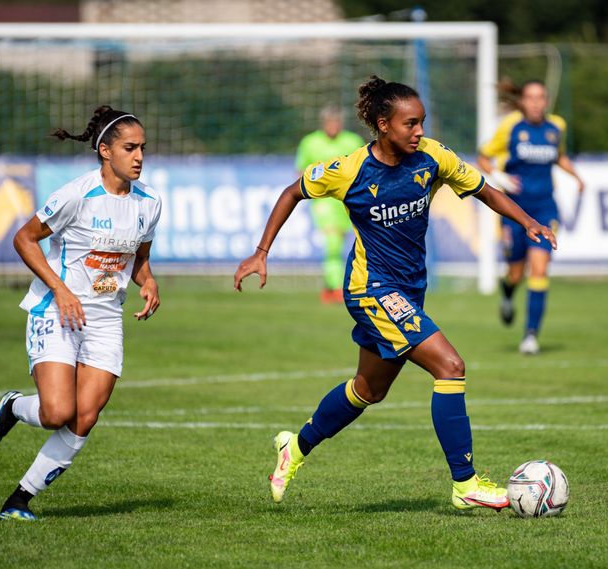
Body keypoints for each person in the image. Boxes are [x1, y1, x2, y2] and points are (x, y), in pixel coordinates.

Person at [234, 76, 556, 511]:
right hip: (371, 288)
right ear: (384, 124)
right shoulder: (349, 169)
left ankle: (295, 446)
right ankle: (466, 485)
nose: (419, 131)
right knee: (451, 366)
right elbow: (293, 192)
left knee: (368, 389)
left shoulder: (432, 157)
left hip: (409, 288)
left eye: (421, 122)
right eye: (410, 124)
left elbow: (485, 190)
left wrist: (528, 221)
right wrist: (261, 252)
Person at [0, 105, 162, 521]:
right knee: (56, 412)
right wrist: (60, 290)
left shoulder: (149, 202)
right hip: (57, 311)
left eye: (142, 148)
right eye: (130, 148)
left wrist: (148, 282)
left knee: (84, 416)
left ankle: (19, 499)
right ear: (104, 151)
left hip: (105, 319)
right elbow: (24, 239)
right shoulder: (76, 194)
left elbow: (139, 259)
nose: (139, 157)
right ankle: (11, 408)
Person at [477, 80, 584, 355]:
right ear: (522, 102)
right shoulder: (511, 126)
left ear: (546, 102)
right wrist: (500, 176)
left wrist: (576, 176)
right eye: (530, 98)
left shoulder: (556, 127)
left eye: (540, 98)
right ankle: (509, 291)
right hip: (513, 210)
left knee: (539, 268)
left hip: (545, 209)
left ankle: (530, 335)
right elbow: (484, 157)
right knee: (516, 271)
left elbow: (558, 156)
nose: (536, 103)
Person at [295, 104, 365, 304]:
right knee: (332, 242)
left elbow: (364, 168)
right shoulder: (310, 142)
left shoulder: (352, 141)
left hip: (346, 200)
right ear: (324, 123)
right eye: (330, 122)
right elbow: (301, 171)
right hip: (323, 201)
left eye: (337, 122)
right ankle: (336, 288)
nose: (333, 126)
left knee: (341, 243)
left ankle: (329, 286)